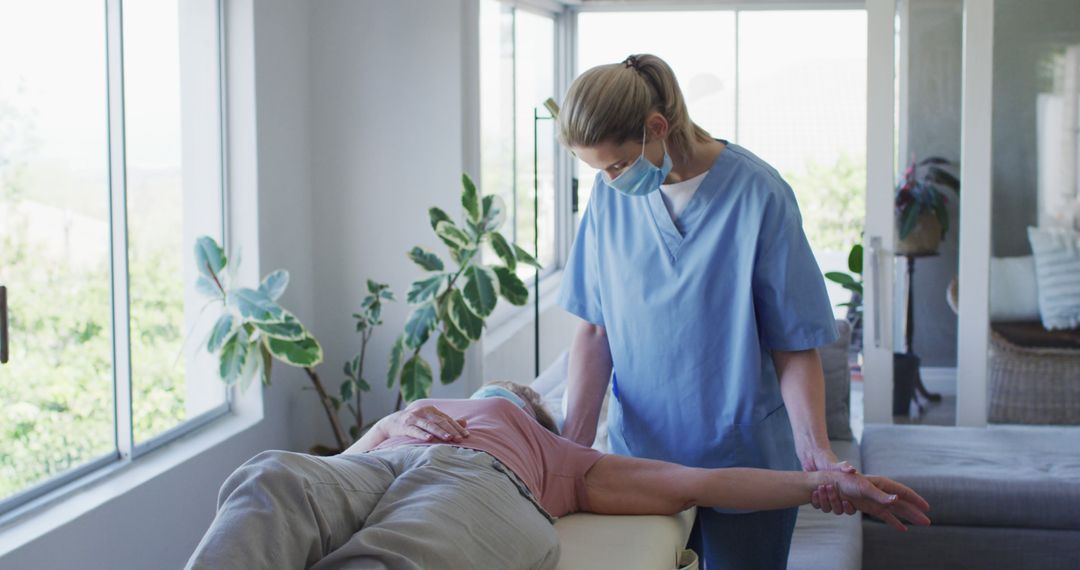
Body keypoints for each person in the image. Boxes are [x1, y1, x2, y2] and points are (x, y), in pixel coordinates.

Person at [555, 53, 853, 569]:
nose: (609, 181)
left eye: (618, 164)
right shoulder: (609, 200)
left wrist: (817, 451)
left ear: (656, 127)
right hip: (641, 468)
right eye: (598, 170)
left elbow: (794, 344)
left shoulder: (759, 194)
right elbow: (596, 332)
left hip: (746, 463)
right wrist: (567, 453)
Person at [186, 383, 930, 570]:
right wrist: (396, 422)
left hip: (482, 485)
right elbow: (330, 478)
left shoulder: (557, 457)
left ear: (533, 413)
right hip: (379, 462)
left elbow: (697, 482)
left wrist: (821, 483)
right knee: (270, 479)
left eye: (515, 395)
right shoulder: (417, 410)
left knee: (402, 546)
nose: (498, 394)